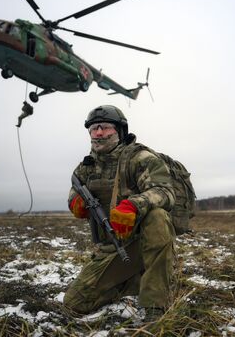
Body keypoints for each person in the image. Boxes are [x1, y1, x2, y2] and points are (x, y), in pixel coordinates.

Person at [63, 105, 176, 323]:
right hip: (110, 249)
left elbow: (165, 192)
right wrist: (75, 204)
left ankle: (155, 304)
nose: (98, 133)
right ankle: (135, 280)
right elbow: (73, 195)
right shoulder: (85, 168)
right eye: (93, 128)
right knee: (74, 303)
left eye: (104, 127)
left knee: (158, 217)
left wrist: (134, 206)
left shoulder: (140, 158)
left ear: (119, 131)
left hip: (143, 242)